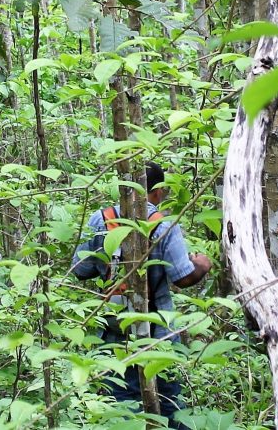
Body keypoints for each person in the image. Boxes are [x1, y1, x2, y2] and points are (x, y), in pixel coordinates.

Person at [73, 162, 212, 428]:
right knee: (169, 402)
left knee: (121, 402)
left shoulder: (100, 219)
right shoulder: (163, 226)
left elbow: (80, 270)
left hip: (114, 330)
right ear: (158, 191)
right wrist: (203, 266)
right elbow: (183, 278)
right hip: (158, 332)